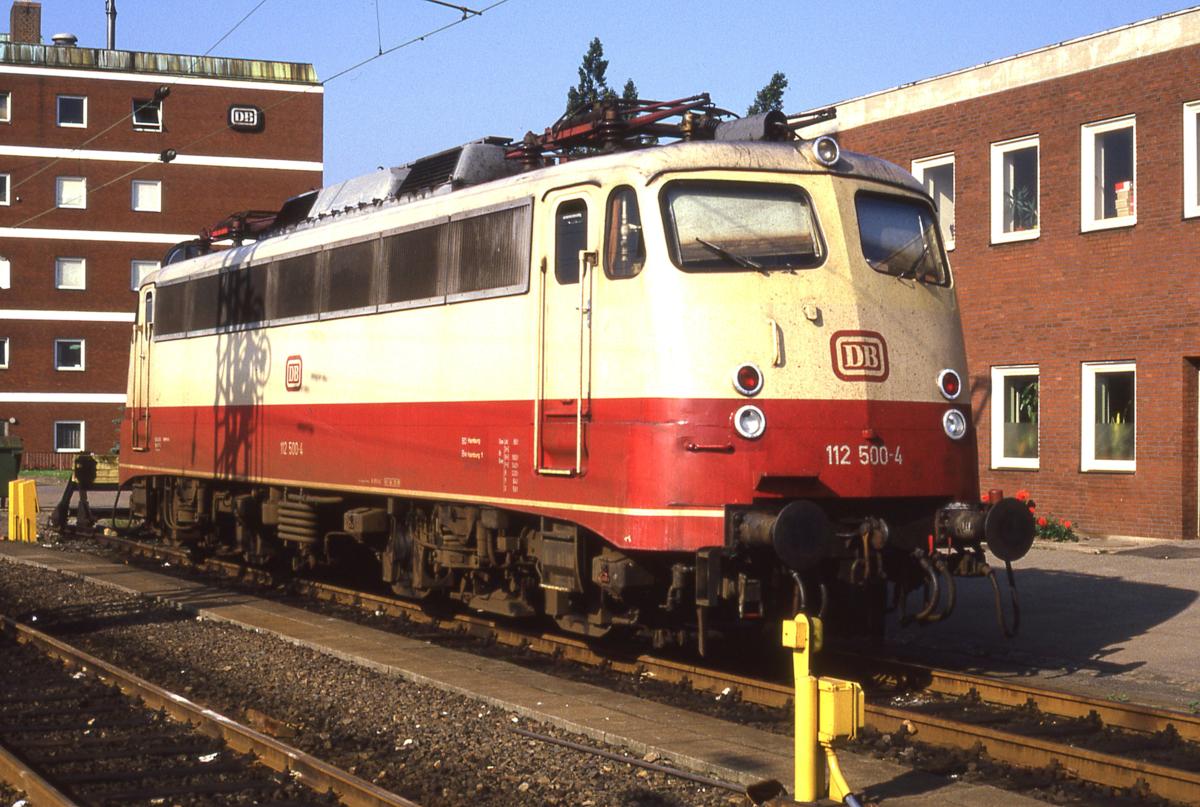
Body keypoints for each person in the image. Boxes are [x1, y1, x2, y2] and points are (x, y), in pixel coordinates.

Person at [50, 452, 97, 531]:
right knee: (78, 477)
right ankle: (64, 512)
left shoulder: (80, 466)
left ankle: (61, 514)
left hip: (83, 479)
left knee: (76, 477)